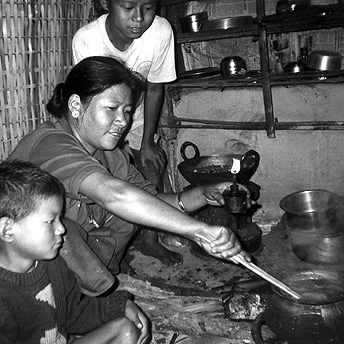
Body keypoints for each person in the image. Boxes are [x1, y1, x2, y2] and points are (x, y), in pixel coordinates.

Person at [9, 56, 250, 297]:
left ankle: (100, 289)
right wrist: (198, 231)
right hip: (30, 286)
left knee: (135, 207)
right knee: (70, 227)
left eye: (127, 111)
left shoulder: (110, 155)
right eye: (111, 109)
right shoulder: (51, 144)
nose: (123, 121)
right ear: (75, 106)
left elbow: (152, 203)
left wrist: (203, 194)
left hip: (83, 279)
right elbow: (114, 195)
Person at [72, 0, 180, 266]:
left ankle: (150, 242)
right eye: (128, 7)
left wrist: (147, 143)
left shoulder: (161, 31)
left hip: (139, 113)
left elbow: (155, 88)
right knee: (108, 180)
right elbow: (94, 99)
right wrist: (112, 144)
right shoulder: (87, 40)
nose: (138, 18)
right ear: (105, 3)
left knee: (152, 168)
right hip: (102, 115)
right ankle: (110, 253)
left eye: (147, 8)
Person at [0, 160, 150, 344]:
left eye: (60, 219)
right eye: (50, 221)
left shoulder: (54, 265)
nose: (61, 229)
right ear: (7, 229)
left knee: (127, 329)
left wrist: (120, 306)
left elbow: (74, 313)